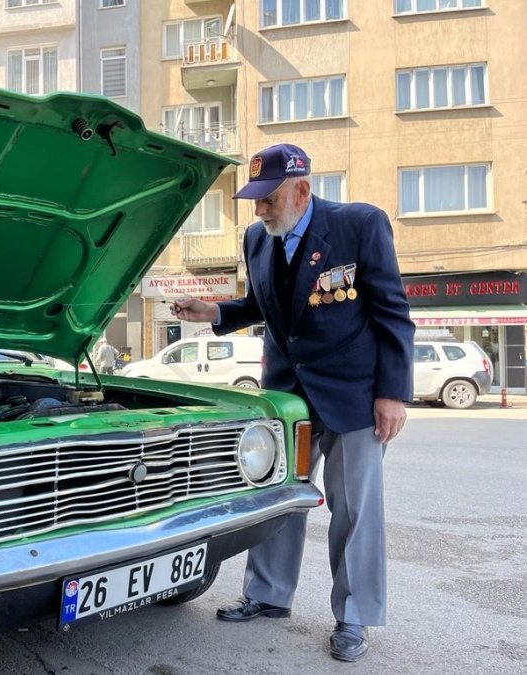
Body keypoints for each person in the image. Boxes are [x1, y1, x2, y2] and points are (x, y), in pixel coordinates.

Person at [171, 143, 414, 663]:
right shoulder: (258, 238)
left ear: (302, 191)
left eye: (270, 200)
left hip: (354, 395)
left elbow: (393, 313)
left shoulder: (360, 225)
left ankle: (354, 616)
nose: (260, 211)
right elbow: (263, 305)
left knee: (354, 509)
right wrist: (214, 309)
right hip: (288, 396)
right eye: (255, 201)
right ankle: (267, 595)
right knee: (277, 499)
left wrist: (393, 394)